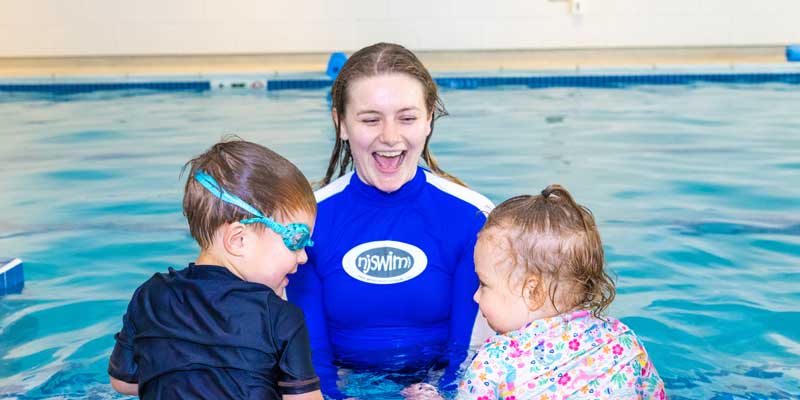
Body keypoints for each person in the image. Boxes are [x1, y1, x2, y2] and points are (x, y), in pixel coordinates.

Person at [286, 42, 493, 397]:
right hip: (344, 384)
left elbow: (470, 353)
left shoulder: (473, 218)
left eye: (407, 118)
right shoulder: (306, 221)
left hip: (438, 384)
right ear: (341, 124)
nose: (390, 136)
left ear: (429, 120)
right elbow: (311, 360)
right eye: (370, 119)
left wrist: (442, 394)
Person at [108, 139, 323, 400]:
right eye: (296, 241)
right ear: (238, 240)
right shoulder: (280, 317)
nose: (302, 257)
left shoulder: (150, 296)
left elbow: (121, 382)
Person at [457, 184, 666, 399]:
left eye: (484, 284)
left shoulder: (495, 360)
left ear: (533, 292)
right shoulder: (622, 338)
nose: (475, 295)